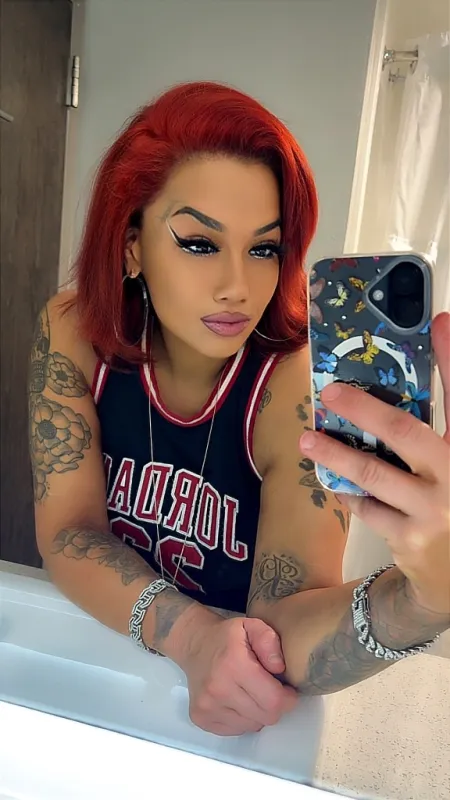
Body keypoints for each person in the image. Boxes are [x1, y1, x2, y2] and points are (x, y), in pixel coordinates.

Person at [29, 81, 450, 737]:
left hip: (240, 710)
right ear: (133, 244)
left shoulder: (293, 389)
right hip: (97, 659)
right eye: (200, 243)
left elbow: (286, 622)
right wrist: (187, 634)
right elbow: (68, 531)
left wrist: (424, 599)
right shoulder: (74, 332)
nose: (237, 286)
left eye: (263, 249)